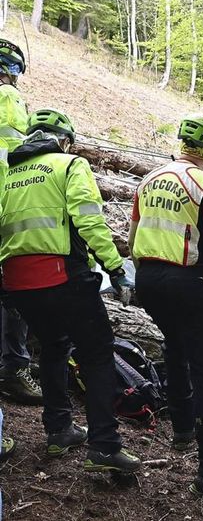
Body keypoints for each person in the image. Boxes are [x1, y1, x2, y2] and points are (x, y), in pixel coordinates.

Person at [0, 109, 140, 473]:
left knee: (54, 346)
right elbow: (89, 220)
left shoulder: (9, 172)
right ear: (64, 140)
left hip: (18, 283)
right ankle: (105, 447)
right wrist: (115, 268)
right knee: (97, 354)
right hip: (64, 276)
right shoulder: (69, 165)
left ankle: (59, 429)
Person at [128, 113, 203, 498]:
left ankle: (181, 429)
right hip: (188, 282)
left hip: (147, 279)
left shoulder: (149, 180)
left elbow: (132, 236)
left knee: (174, 347)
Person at [0, 38, 42, 405]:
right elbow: (15, 158)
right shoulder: (9, 100)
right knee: (14, 291)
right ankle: (14, 368)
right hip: (6, 207)